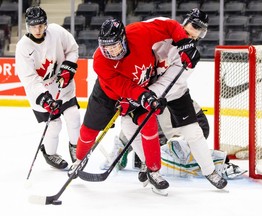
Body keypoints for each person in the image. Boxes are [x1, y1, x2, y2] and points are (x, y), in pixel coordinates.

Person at [69, 16, 196, 194]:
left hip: (141, 88)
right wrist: (144, 96)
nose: (111, 52)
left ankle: (153, 171)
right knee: (90, 129)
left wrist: (184, 43)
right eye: (107, 47)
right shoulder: (100, 60)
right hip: (108, 95)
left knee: (149, 125)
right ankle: (79, 159)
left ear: (123, 39)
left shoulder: (139, 32)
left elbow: (169, 26)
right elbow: (123, 87)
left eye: (115, 46)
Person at [105, 9, 228, 190]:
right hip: (146, 89)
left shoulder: (190, 55)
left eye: (196, 36)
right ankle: (148, 163)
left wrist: (149, 96)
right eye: (188, 31)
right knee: (135, 127)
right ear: (183, 24)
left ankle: (210, 171)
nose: (191, 38)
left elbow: (172, 82)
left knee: (193, 132)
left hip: (174, 93)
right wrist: (136, 95)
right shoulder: (160, 30)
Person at [102, 100, 247, 180]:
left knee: (175, 155)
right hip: (167, 128)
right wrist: (120, 149)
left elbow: (176, 139)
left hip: (193, 123)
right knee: (159, 150)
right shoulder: (140, 95)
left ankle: (219, 164)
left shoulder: (157, 95)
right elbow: (133, 125)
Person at [15, 6, 81, 170]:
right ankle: (50, 153)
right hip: (39, 90)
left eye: (41, 25)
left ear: (46, 24)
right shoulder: (23, 47)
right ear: (27, 26)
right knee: (54, 124)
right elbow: (29, 78)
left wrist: (68, 67)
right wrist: (44, 97)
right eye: (33, 26)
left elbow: (73, 49)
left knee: (73, 115)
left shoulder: (57, 32)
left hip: (61, 83)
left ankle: (76, 148)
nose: (38, 30)